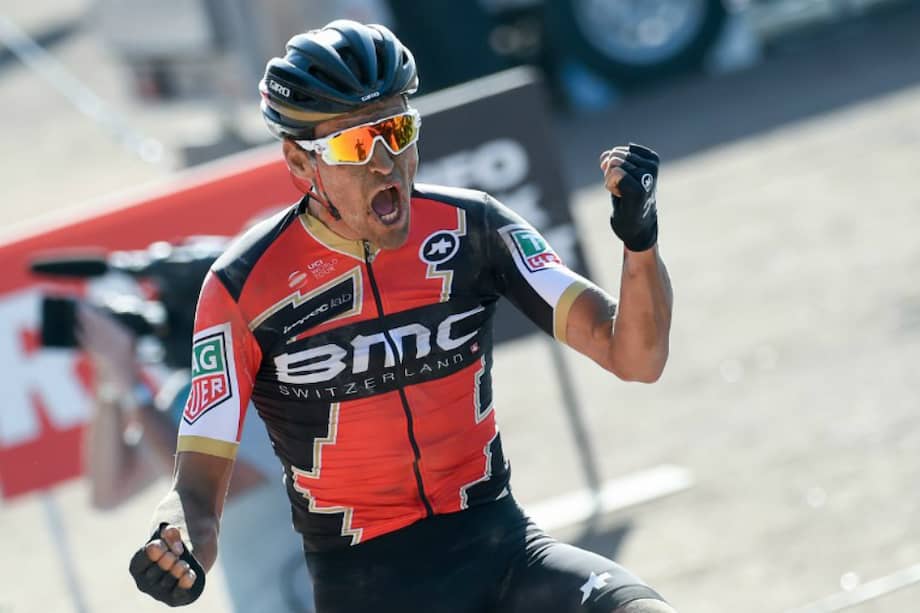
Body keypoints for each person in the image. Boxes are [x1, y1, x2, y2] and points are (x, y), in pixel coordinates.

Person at [127, 19, 674, 613]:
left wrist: (639, 242)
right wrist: (174, 542)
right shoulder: (241, 287)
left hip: (506, 551)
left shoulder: (475, 228)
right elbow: (196, 496)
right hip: (370, 589)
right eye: (354, 145)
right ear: (299, 161)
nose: (386, 163)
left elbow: (635, 356)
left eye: (397, 129)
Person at [77, 300, 313, 610]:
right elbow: (108, 491)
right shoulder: (183, 397)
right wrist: (111, 379)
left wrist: (133, 389)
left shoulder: (264, 382)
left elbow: (227, 487)